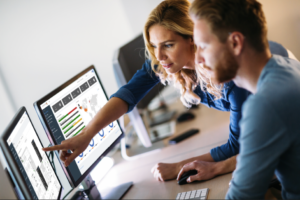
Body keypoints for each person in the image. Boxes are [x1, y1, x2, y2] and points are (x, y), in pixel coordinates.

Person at [43, 0, 288, 184]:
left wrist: (178, 166)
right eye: (153, 46)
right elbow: (128, 94)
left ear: (191, 38)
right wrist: (87, 135)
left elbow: (237, 146)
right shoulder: (170, 62)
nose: (159, 56)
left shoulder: (230, 72)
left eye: (168, 45)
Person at [176, 0, 300, 199]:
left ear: (235, 43)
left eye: (203, 46)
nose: (197, 59)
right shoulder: (284, 64)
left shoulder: (265, 104)